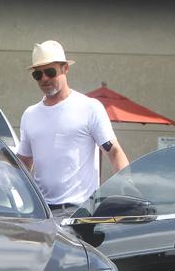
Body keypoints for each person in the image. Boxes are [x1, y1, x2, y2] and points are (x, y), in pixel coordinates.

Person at [16, 40, 129, 217]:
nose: (44, 78)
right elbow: (23, 163)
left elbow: (113, 151)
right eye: (38, 75)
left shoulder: (89, 107)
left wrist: (129, 188)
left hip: (79, 212)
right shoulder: (30, 114)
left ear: (65, 69)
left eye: (50, 72)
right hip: (41, 213)